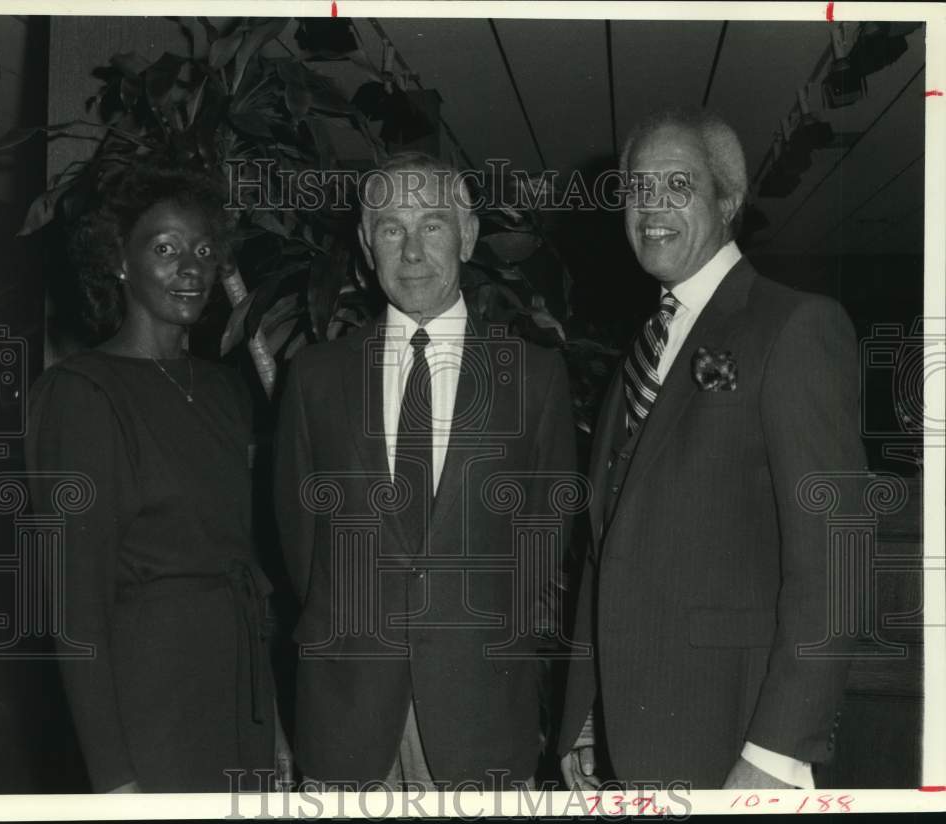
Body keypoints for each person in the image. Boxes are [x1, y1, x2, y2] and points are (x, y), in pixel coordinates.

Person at [559, 109, 867, 790]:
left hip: (738, 743)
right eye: (639, 189)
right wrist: (585, 714)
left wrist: (776, 754)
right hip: (628, 741)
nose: (652, 206)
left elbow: (837, 559)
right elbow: (606, 546)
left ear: (728, 202)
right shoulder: (636, 358)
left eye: (678, 185)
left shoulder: (794, 326)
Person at [274, 152, 579, 789]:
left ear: (467, 236)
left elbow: (545, 542)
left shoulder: (533, 377)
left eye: (432, 225)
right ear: (365, 244)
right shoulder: (315, 378)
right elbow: (301, 548)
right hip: (347, 709)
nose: (411, 251)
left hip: (481, 706)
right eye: (391, 229)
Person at [25, 160, 291, 792]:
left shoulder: (227, 390)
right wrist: (114, 777)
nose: (191, 267)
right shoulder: (84, 391)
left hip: (239, 696)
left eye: (203, 249)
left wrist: (276, 727)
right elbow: (74, 607)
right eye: (166, 248)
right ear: (120, 260)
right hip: (152, 705)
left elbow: (246, 570)